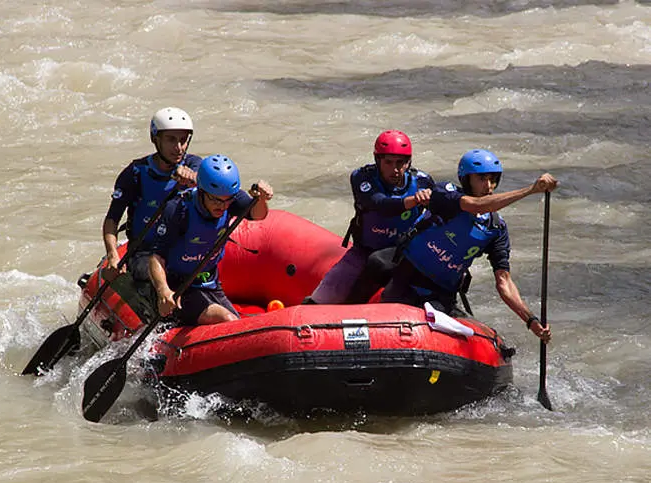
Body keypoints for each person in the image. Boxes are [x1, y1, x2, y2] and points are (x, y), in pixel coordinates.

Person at [379, 148, 557, 342]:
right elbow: (476, 205)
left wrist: (530, 320)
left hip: (441, 294)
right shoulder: (446, 193)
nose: (488, 186)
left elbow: (503, 281)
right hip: (406, 280)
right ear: (466, 179)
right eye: (481, 179)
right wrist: (531, 190)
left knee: (474, 339)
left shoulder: (495, 228)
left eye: (492, 179)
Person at [305, 130, 435, 305]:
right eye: (388, 162)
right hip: (365, 252)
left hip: (405, 255)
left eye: (400, 163)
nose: (395, 170)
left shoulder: (423, 182)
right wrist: (414, 200)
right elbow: (380, 204)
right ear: (377, 160)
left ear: (408, 162)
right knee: (321, 299)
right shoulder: (362, 178)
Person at [148, 154, 274, 326]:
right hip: (178, 286)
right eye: (215, 200)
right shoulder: (178, 209)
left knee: (236, 324)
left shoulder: (230, 198)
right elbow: (156, 258)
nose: (222, 206)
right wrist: (163, 291)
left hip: (209, 281)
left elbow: (259, 215)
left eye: (227, 200)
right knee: (227, 320)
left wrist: (261, 199)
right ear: (201, 191)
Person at [102, 107, 202, 283]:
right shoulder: (135, 173)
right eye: (171, 140)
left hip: (182, 250)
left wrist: (193, 177)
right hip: (144, 253)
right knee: (161, 274)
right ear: (156, 139)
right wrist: (112, 255)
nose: (178, 147)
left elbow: (201, 176)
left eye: (183, 140)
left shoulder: (194, 164)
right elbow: (112, 219)